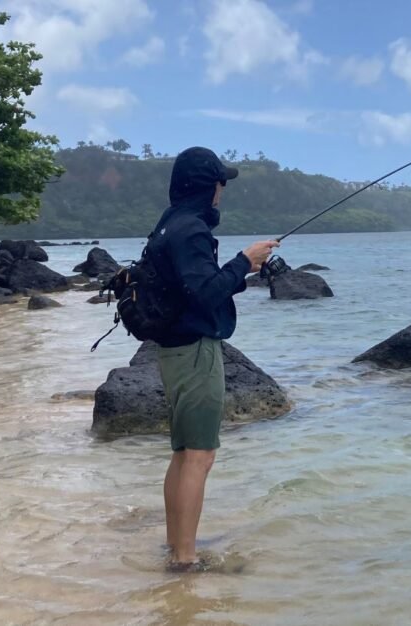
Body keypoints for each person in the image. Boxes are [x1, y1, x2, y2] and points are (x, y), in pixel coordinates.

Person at [147, 146, 278, 572]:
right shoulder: (193, 231)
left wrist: (242, 272)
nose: (224, 189)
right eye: (221, 181)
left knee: (184, 452)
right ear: (210, 186)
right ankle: (186, 560)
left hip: (172, 350)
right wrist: (245, 261)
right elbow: (204, 295)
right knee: (199, 455)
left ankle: (175, 546)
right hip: (195, 352)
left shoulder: (170, 225)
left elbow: (195, 287)